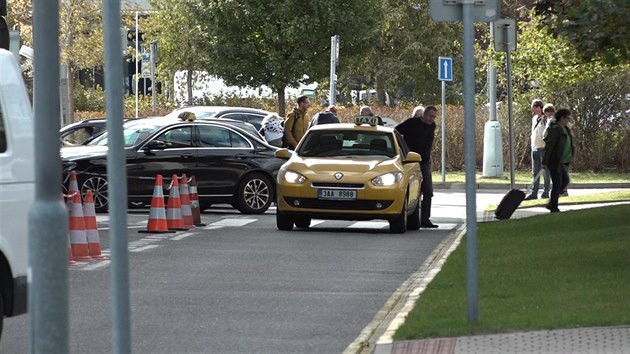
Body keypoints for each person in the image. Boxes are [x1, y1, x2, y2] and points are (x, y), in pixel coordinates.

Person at [395, 105, 438, 228]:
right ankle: (411, 218)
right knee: (413, 191)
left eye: (434, 117)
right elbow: (397, 132)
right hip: (411, 161)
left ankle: (425, 219)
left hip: (424, 162)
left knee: (428, 191)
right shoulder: (412, 123)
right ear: (424, 114)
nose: (432, 119)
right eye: (430, 116)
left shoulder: (432, 126)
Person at [542, 108, 575, 213]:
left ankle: (552, 203)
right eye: (567, 118)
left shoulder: (565, 129)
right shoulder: (555, 129)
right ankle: (553, 207)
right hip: (555, 161)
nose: (568, 120)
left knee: (565, 181)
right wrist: (545, 161)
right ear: (562, 118)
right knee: (557, 183)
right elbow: (549, 146)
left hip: (563, 161)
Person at [525, 99, 551, 200]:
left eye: (534, 107)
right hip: (534, 147)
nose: (533, 109)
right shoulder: (534, 119)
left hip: (544, 148)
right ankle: (534, 193)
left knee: (545, 171)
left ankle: (546, 192)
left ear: (539, 107)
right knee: (535, 171)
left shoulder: (546, 119)